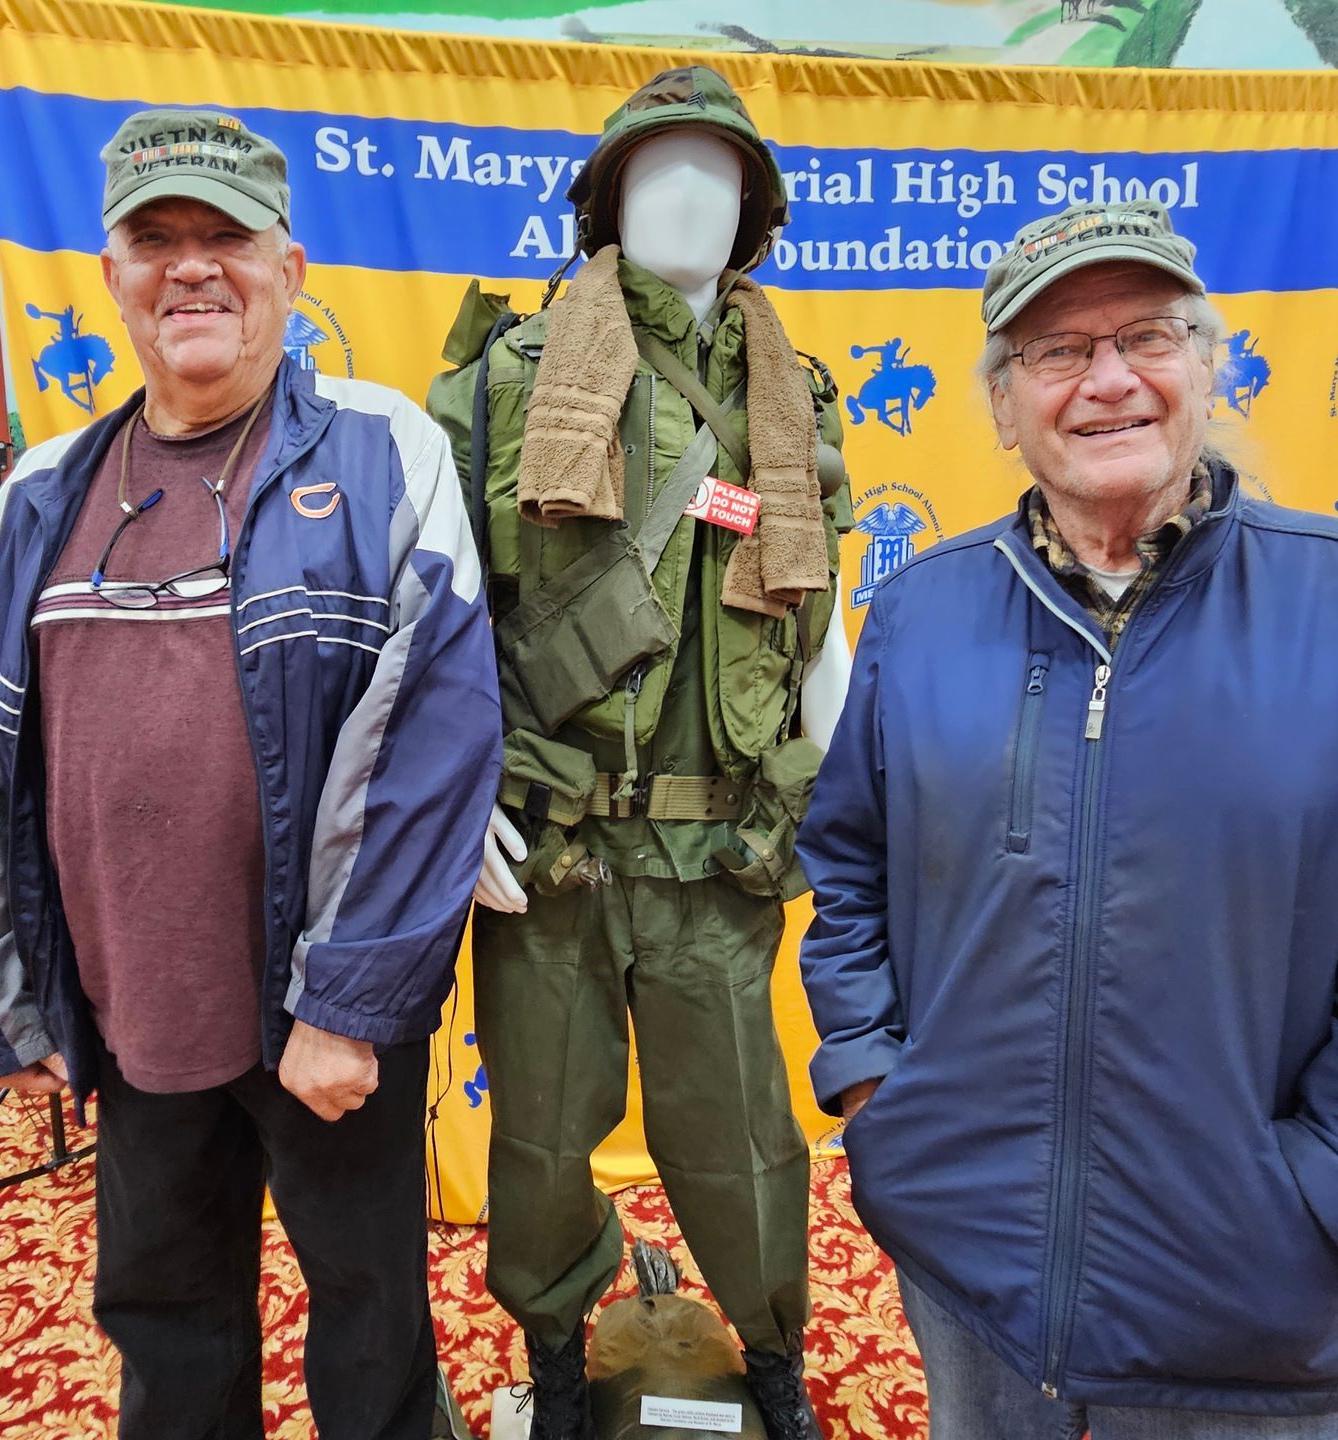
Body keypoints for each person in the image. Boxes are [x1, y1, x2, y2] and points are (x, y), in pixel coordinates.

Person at [797, 199, 1338, 1439]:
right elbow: (849, 866)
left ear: (1207, 362)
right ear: (1004, 405)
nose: (1106, 381)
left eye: (1145, 336)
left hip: (1246, 1298)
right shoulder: (919, 616)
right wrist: (878, 1098)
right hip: (973, 1276)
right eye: (1057, 352)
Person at [0, 107, 500, 1440]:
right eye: (155, 239)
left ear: (288, 270)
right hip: (135, 1009)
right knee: (168, 1322)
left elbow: (439, 735)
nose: (191, 268)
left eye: (224, 237)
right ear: (111, 273)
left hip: (324, 1014)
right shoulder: (34, 503)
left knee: (371, 1320)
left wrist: (351, 1001)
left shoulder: (382, 453)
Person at [426, 66, 853, 1440]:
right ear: (605, 208)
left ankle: (772, 1357)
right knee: (544, 1144)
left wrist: (854, 823)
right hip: (548, 852)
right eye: (656, 170)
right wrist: (449, 810)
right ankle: (558, 1351)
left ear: (755, 214)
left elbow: (818, 633)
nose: (689, 195)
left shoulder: (800, 402)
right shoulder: (502, 384)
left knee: (741, 1143)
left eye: (718, 174)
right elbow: (442, 624)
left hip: (719, 848)